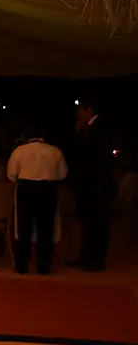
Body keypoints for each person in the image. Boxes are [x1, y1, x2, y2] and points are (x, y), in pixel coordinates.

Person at [7, 127, 68, 275]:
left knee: (23, 227)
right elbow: (62, 174)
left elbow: (11, 174)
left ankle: (22, 265)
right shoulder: (55, 151)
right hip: (47, 189)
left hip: (26, 188)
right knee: (46, 228)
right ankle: (44, 266)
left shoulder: (19, 151)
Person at [68, 100, 115, 271]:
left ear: (89, 110)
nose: (79, 114)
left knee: (97, 221)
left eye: (81, 111)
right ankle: (86, 255)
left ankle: (96, 259)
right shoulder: (87, 129)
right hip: (88, 182)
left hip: (96, 182)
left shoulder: (100, 128)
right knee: (87, 220)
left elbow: (97, 157)